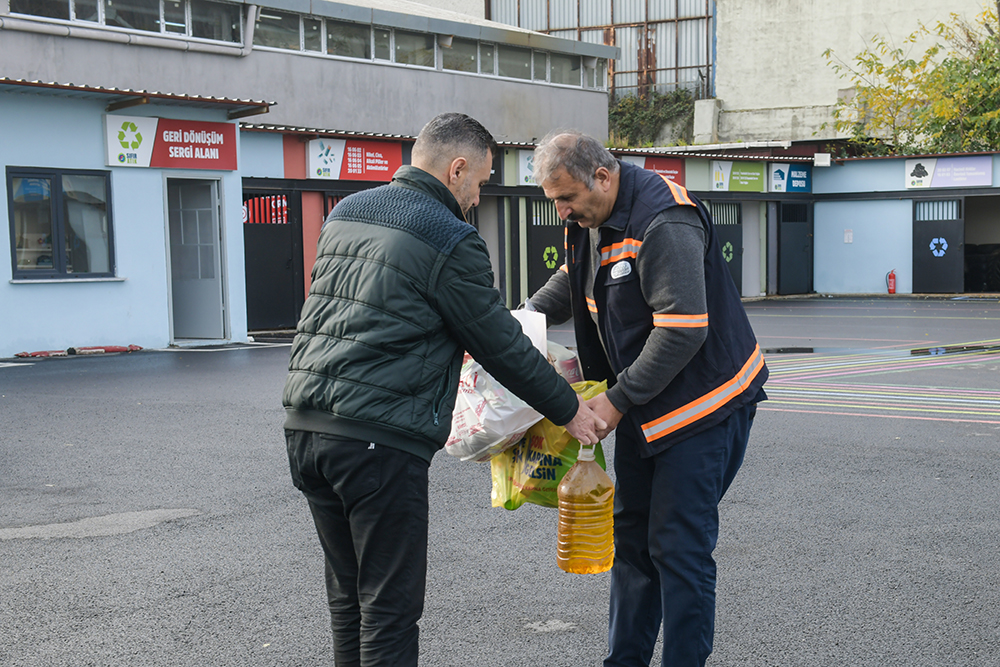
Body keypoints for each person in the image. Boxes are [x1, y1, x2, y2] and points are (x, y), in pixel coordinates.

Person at [281, 113, 605, 667]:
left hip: (306, 426)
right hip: (377, 441)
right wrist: (570, 409)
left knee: (348, 601)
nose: (478, 197)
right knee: (388, 609)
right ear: (457, 169)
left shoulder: (346, 212)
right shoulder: (448, 238)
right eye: (479, 182)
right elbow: (501, 343)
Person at [525, 130, 768, 667]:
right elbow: (571, 282)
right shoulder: (589, 220)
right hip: (641, 408)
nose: (561, 211)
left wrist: (614, 402)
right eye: (554, 200)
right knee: (632, 544)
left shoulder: (665, 219)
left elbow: (682, 330)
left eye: (566, 198)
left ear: (604, 177)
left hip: (702, 406)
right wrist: (519, 326)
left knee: (677, 548)